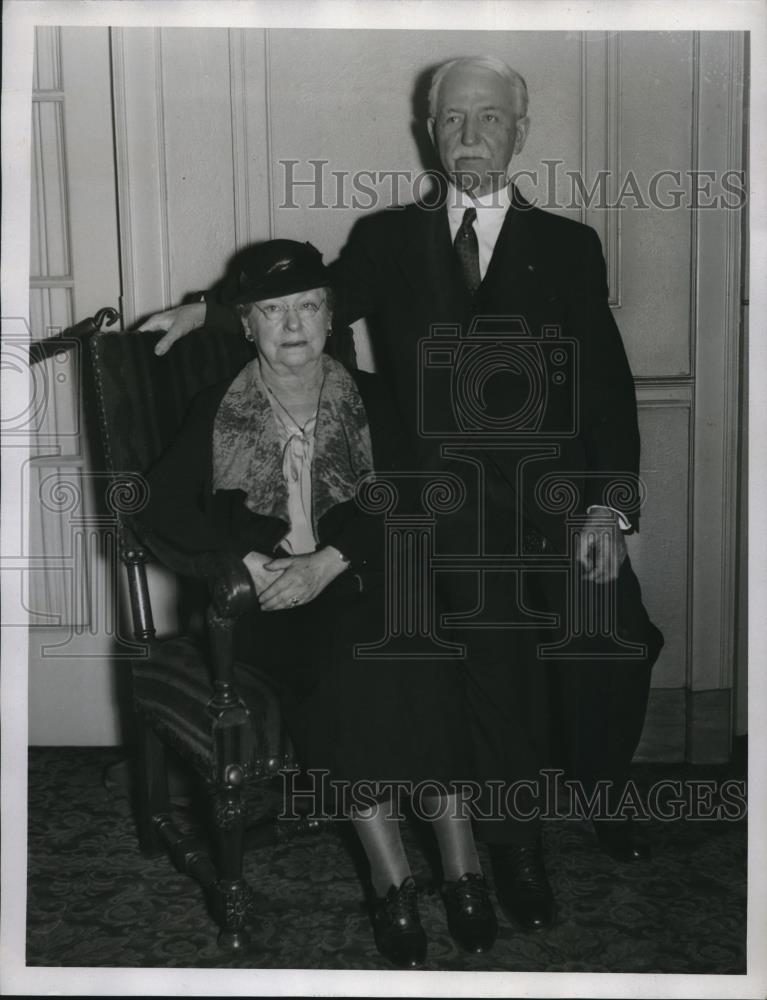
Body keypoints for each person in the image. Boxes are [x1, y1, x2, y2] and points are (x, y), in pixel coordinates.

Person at [139, 55, 663, 934]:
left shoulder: (569, 245)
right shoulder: (388, 238)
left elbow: (605, 385)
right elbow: (310, 297)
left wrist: (607, 506)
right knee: (494, 658)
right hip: (437, 505)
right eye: (451, 119)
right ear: (428, 130)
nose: (468, 136)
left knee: (615, 637)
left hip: (553, 500)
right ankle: (513, 849)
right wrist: (209, 308)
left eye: (488, 118)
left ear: (519, 132)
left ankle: (603, 794)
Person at [139, 239, 498, 967]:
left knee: (411, 641)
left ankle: (462, 866)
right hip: (271, 613)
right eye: (273, 311)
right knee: (346, 659)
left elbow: (407, 498)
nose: (292, 324)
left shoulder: (371, 399)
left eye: (307, 306)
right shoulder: (217, 408)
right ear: (246, 326)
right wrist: (237, 559)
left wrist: (331, 560)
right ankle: (390, 878)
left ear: (331, 316)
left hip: (358, 581)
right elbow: (156, 508)